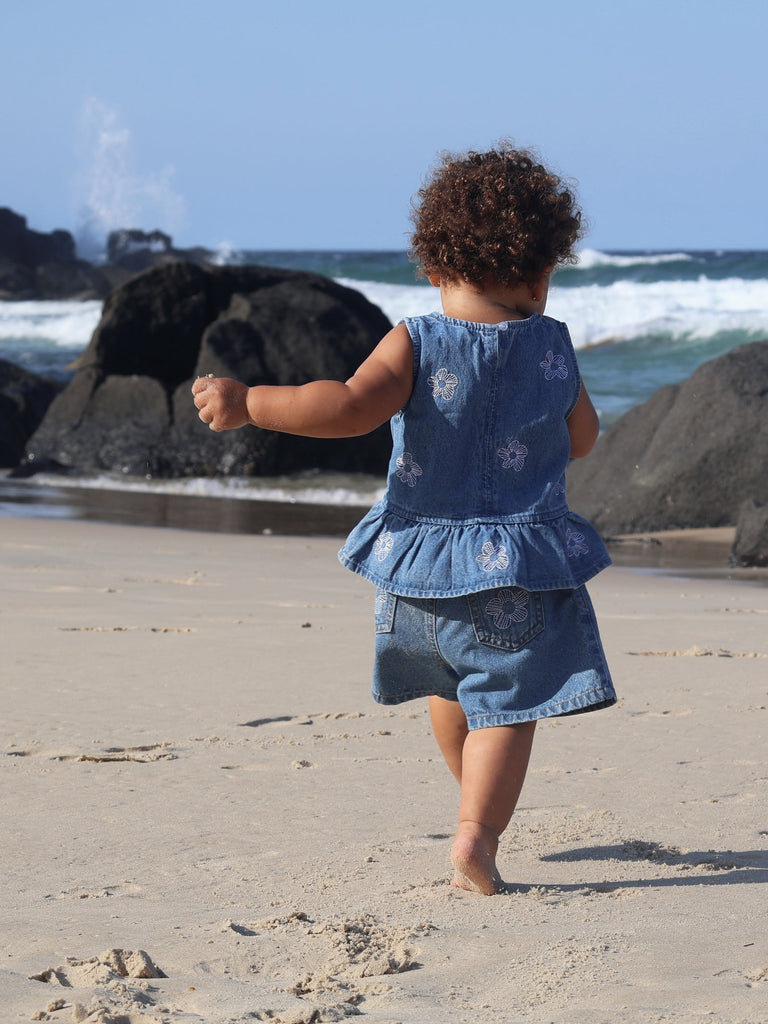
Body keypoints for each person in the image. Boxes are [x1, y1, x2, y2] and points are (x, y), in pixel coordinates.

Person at [192, 143, 616, 895]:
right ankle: (476, 837)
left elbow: (348, 406)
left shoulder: (416, 340)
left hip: (420, 570)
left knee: (450, 689)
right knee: (509, 706)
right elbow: (583, 438)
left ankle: (469, 807)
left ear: (434, 266)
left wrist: (251, 402)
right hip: (516, 570)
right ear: (543, 271)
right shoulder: (552, 346)